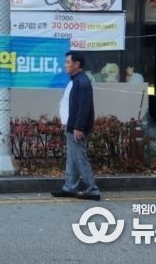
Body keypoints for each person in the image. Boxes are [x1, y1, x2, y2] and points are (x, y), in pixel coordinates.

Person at [52, 51, 101, 201]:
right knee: (72, 159)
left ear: (77, 64)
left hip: (76, 128)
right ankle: (70, 187)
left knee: (80, 159)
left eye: (68, 62)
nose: (65, 65)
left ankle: (92, 190)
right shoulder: (75, 80)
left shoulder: (82, 82)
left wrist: (79, 127)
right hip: (71, 126)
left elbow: (84, 107)